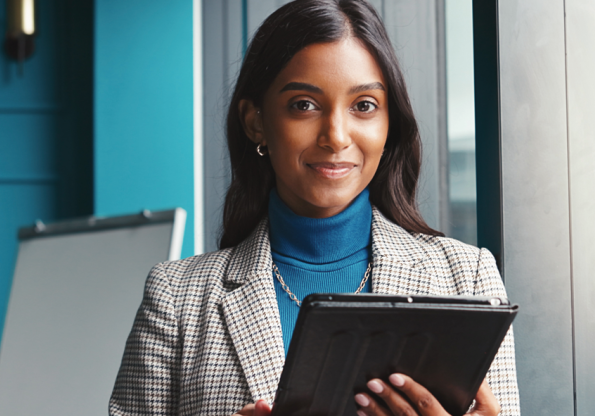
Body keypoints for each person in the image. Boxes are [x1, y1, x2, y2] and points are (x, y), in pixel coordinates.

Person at [108, 0, 519, 415]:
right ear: (256, 122)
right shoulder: (177, 298)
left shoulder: (467, 280)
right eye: (304, 104)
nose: (336, 136)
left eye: (364, 105)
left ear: (389, 122)